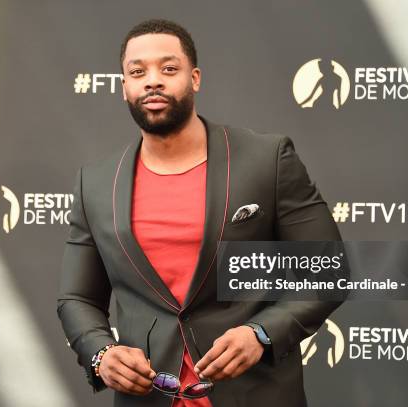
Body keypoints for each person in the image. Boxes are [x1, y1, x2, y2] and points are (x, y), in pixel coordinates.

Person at [57, 19, 343, 407]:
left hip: (254, 393)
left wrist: (260, 333)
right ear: (124, 87)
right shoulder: (94, 183)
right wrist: (101, 354)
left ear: (194, 78)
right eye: (137, 72)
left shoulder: (266, 160)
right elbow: (77, 298)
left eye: (168, 68)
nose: (152, 81)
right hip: (149, 397)